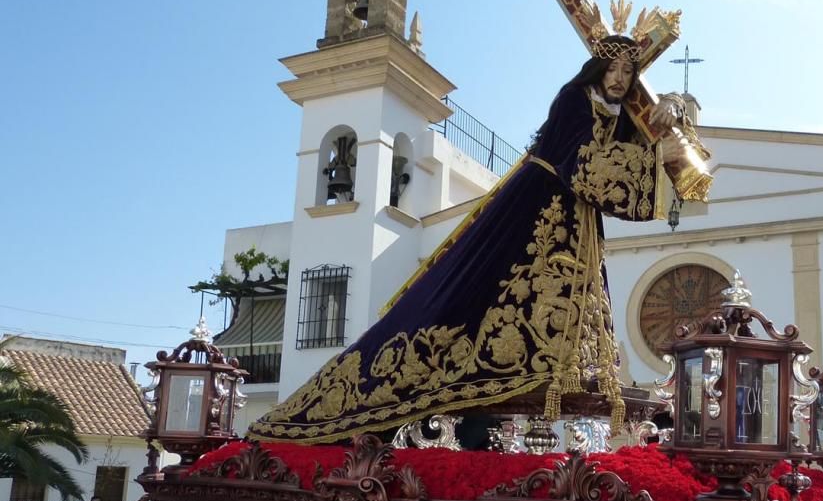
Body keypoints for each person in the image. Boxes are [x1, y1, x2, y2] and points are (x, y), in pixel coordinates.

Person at [248, 30, 713, 444]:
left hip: (573, 224)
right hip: (535, 212)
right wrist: (654, 156)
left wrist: (663, 120)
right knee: (473, 303)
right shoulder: (574, 99)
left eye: (628, 71)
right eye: (612, 67)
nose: (619, 77)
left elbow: (625, 149)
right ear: (596, 67)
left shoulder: (611, 112)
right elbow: (585, 166)